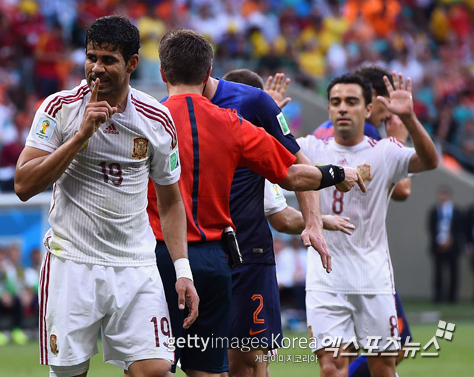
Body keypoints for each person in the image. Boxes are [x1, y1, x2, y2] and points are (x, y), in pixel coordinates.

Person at [150, 28, 365, 377]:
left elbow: (292, 171)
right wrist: (338, 174)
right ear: (208, 72)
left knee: (175, 366)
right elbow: (294, 174)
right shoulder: (229, 123)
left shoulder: (148, 119)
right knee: (197, 368)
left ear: (162, 73)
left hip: (204, 254)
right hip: (206, 255)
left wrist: (314, 222)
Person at [14, 16, 198, 377]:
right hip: (72, 263)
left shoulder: (156, 119)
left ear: (132, 63)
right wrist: (81, 135)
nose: (96, 68)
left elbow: (171, 200)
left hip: (135, 266)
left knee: (156, 370)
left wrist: (182, 270)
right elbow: (23, 185)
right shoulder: (59, 108)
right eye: (91, 57)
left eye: (108, 60)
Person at [297, 72, 438, 377]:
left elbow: (430, 161)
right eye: (336, 102)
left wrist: (410, 119)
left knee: (384, 368)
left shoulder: (384, 151)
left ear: (368, 108)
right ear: (329, 109)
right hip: (325, 280)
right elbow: (268, 154)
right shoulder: (309, 148)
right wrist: (270, 113)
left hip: (373, 279)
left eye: (351, 101)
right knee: (332, 368)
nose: (343, 108)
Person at [203, 60, 335, 377]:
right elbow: (283, 216)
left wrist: (317, 222)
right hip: (202, 254)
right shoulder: (199, 130)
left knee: (248, 362)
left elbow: (286, 198)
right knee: (208, 364)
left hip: (248, 257)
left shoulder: (261, 158)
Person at [313, 65, 412, 202]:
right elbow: (402, 191)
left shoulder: (322, 129)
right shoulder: (365, 131)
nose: (389, 114)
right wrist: (399, 140)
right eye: (388, 103)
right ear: (372, 95)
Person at [428, 186, 463, 303]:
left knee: (454, 272)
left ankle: (452, 298)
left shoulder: (456, 211)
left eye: (444, 195)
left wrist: (450, 240)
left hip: (453, 247)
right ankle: (438, 297)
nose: (442, 197)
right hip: (438, 247)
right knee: (438, 273)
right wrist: (440, 241)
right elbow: (431, 228)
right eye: (440, 194)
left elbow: (459, 229)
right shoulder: (434, 211)